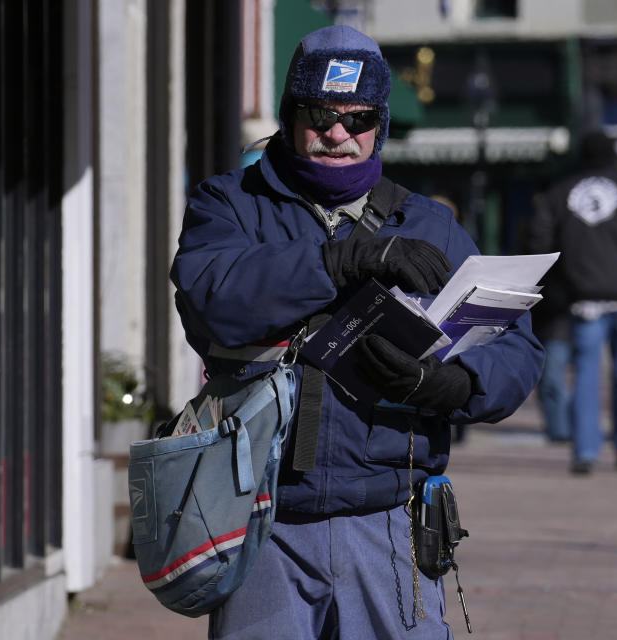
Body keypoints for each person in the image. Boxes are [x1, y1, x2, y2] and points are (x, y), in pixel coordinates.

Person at [170, 25, 544, 639]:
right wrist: (338, 262)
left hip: (391, 520)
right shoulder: (229, 203)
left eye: (359, 116)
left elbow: (519, 348)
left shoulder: (428, 223)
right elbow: (211, 297)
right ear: (291, 115)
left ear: (381, 123)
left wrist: (451, 384)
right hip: (261, 521)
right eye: (320, 114)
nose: (339, 133)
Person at [529, 133, 617, 474]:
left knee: (587, 374)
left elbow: (539, 242)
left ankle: (585, 451)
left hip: (583, 296)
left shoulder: (560, 192)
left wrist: (561, 285)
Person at [528, 192, 572, 443]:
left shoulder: (569, 244)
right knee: (550, 377)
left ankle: (562, 430)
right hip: (546, 316)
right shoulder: (533, 247)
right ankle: (559, 429)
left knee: (554, 375)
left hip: (560, 315)